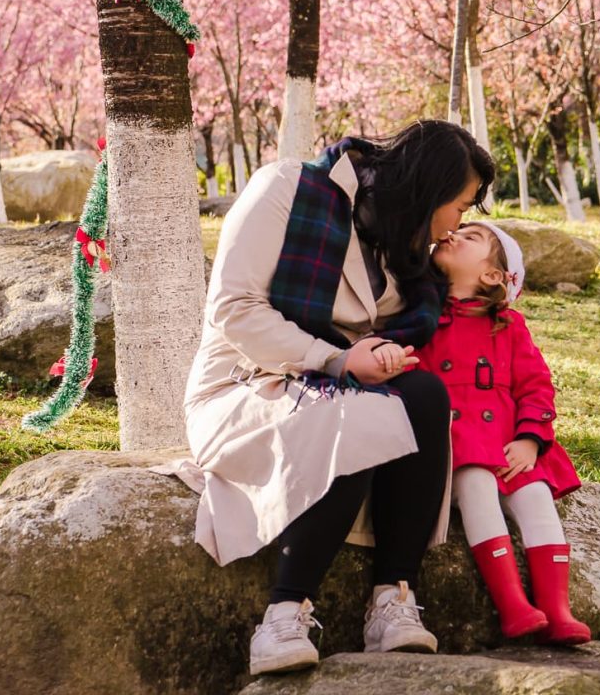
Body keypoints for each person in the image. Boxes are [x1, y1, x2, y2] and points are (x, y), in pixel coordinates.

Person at [172, 121, 494, 676]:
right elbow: (234, 310)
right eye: (461, 205)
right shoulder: (285, 189)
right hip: (249, 381)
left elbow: (413, 329)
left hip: (342, 383)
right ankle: (281, 616)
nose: (459, 222)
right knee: (357, 411)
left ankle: (393, 600)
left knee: (423, 394)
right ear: (428, 190)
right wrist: (337, 360)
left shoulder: (401, 241)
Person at [416, 221, 591, 644]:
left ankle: (556, 609)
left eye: (471, 237)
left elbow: (536, 385)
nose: (454, 235)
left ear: (493, 275)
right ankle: (512, 604)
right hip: (458, 444)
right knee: (475, 485)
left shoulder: (509, 326)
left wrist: (531, 440)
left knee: (534, 496)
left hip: (510, 442)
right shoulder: (424, 319)